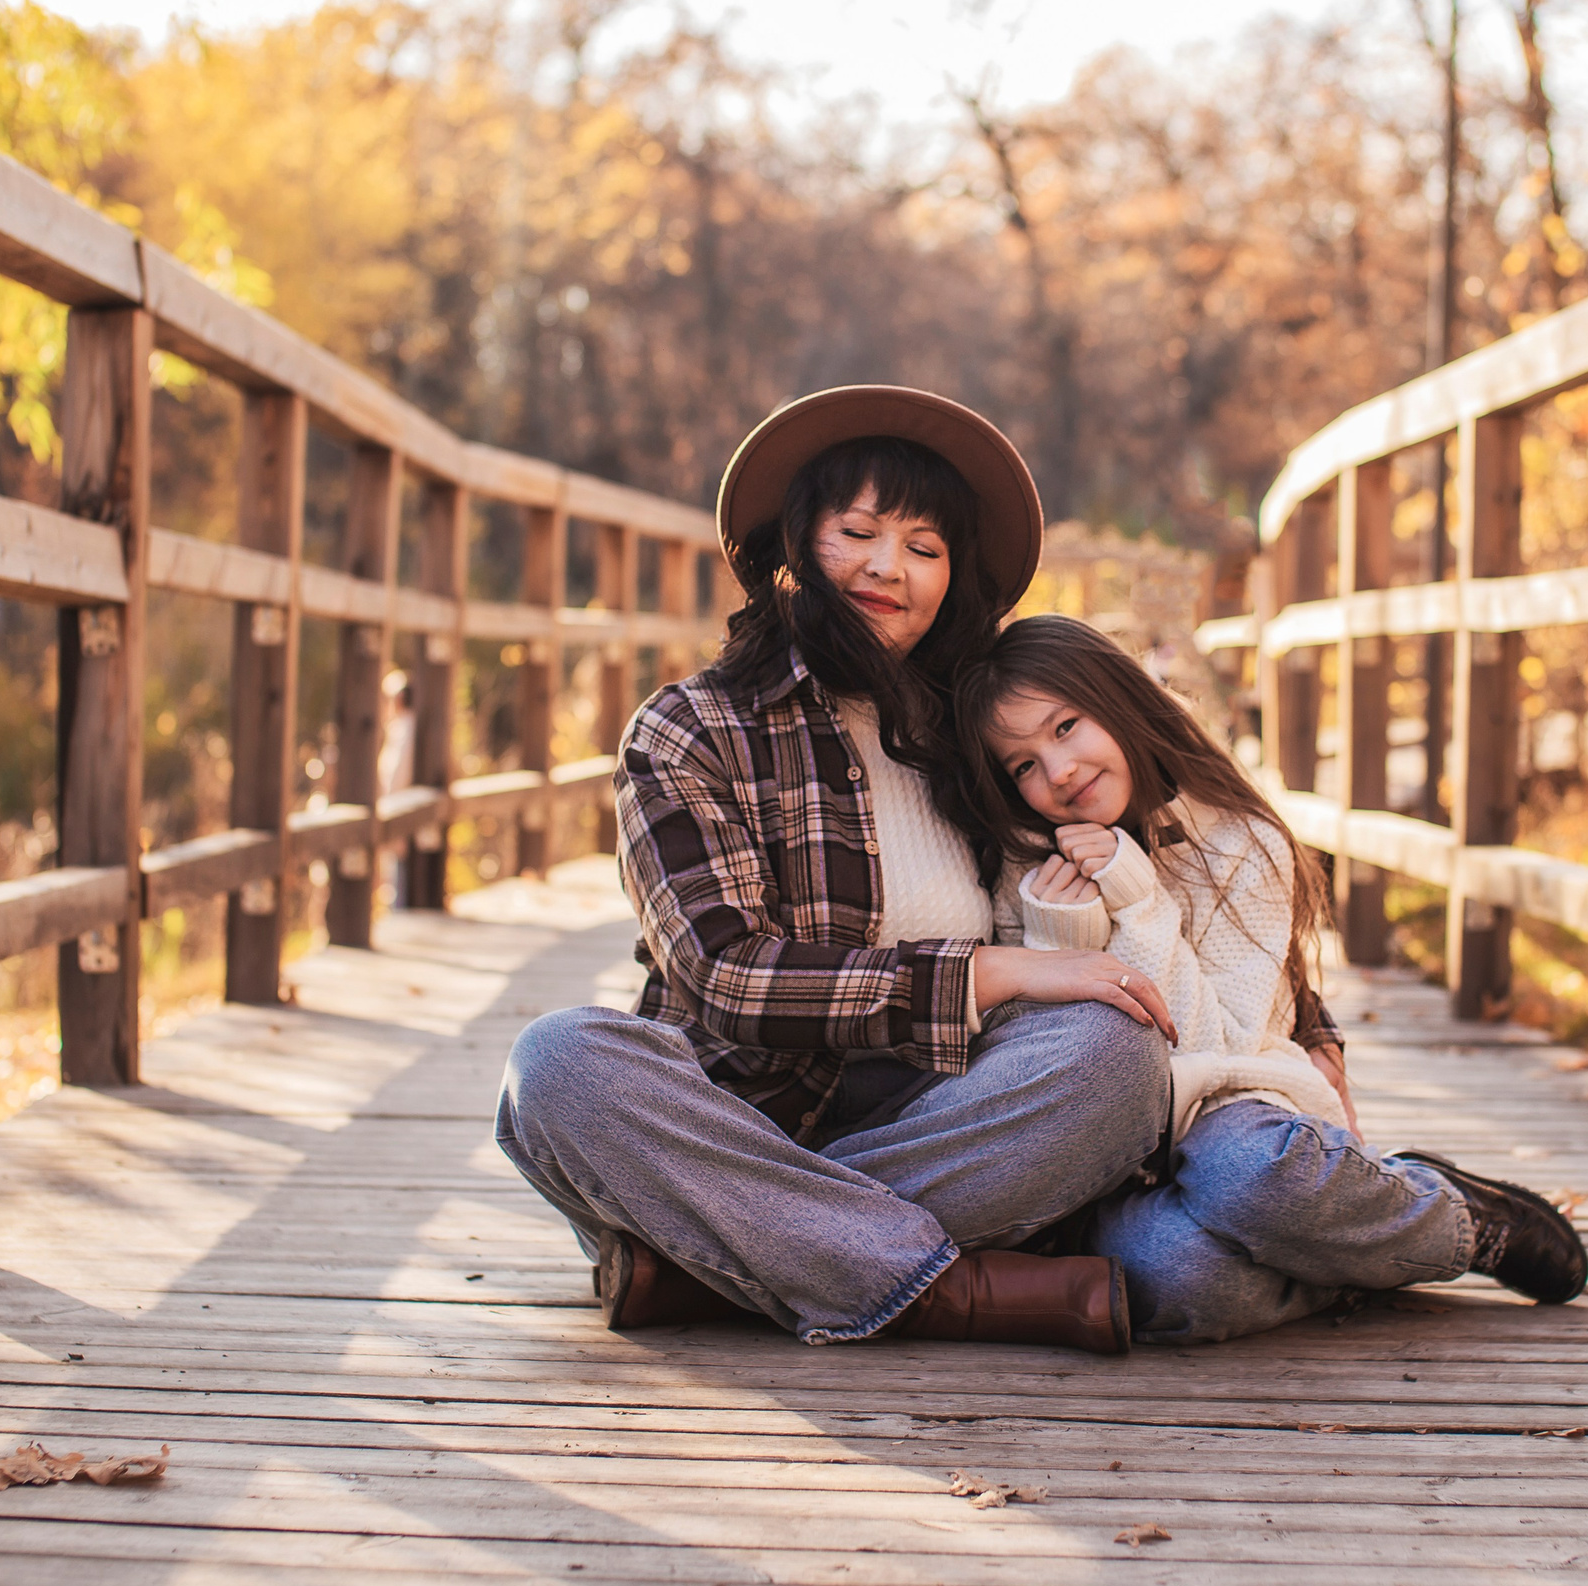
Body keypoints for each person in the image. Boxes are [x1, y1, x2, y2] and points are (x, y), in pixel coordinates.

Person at [496, 386, 1181, 1353]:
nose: (886, 567)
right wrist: (994, 970)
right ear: (795, 540)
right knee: (558, 1064)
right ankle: (956, 1287)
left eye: (924, 548)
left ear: (954, 576)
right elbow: (726, 972)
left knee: (1115, 1057)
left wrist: (1313, 1028)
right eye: (857, 532)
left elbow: (1170, 814)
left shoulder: (976, 722)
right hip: (732, 1119)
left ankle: (726, 1261)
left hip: (940, 1115)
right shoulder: (691, 728)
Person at [950, 613, 1588, 1343]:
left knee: (1249, 1174)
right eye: (1024, 765)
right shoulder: (1027, 872)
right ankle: (1347, 1236)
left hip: (1235, 1113)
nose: (1058, 770)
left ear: (1119, 699)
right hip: (1111, 1168)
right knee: (1176, 1275)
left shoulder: (1238, 842)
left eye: (1066, 727)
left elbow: (1215, 1043)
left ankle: (1461, 1222)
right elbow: (1039, 1071)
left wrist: (1139, 902)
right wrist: (1060, 942)